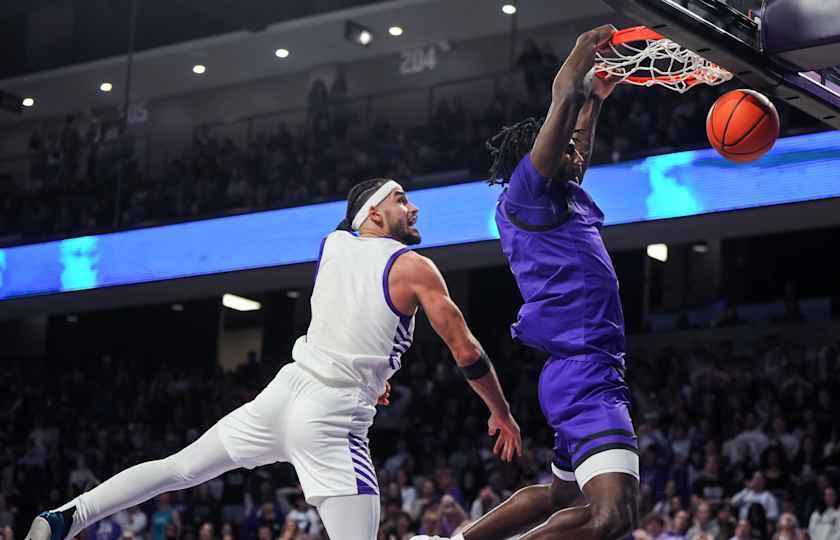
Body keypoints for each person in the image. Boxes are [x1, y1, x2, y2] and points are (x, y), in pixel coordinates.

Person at [24, 179, 521, 540]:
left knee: (179, 469)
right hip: (330, 415)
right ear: (373, 213)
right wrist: (499, 411)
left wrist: (374, 373)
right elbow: (466, 350)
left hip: (286, 392)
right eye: (400, 200)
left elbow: (353, 312)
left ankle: (67, 517)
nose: (413, 208)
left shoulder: (333, 245)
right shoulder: (414, 266)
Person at [412, 23, 637, 540]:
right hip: (584, 372)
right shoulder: (526, 193)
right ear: (535, 160)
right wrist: (580, 58)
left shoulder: (557, 195)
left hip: (580, 367)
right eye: (565, 150)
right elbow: (561, 109)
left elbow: (573, 144)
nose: (576, 155)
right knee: (611, 519)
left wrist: (595, 102)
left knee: (563, 497)